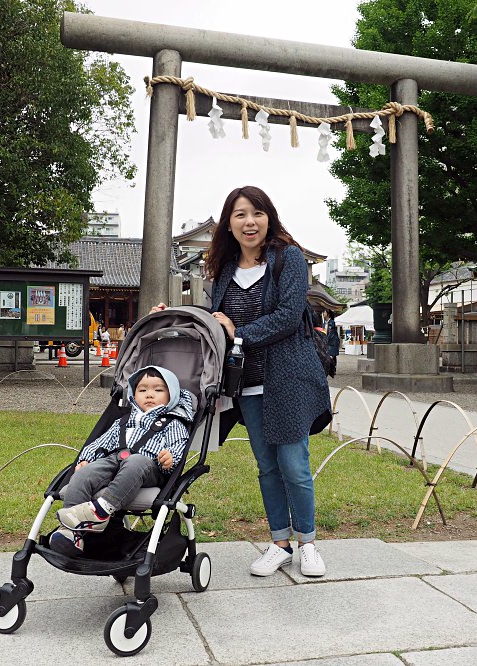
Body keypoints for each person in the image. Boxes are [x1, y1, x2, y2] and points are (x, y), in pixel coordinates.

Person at [158, 185, 331, 577]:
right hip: (247, 382)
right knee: (267, 466)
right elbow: (216, 321)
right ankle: (279, 543)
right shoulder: (224, 270)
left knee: (294, 465)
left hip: (289, 378)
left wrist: (241, 334)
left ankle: (308, 543)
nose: (249, 222)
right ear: (229, 224)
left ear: (269, 218)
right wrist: (173, 317)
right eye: (240, 215)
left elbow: (289, 316)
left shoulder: (288, 258)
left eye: (256, 213)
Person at [50, 366, 194, 555]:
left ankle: (102, 510)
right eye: (143, 390)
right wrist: (86, 459)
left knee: (136, 461)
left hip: (148, 466)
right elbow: (99, 443)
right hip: (115, 460)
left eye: (158, 390)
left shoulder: (173, 423)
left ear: (172, 396)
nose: (149, 395)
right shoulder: (123, 422)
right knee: (83, 474)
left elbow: (178, 446)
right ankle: (70, 531)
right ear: (134, 394)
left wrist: (170, 458)